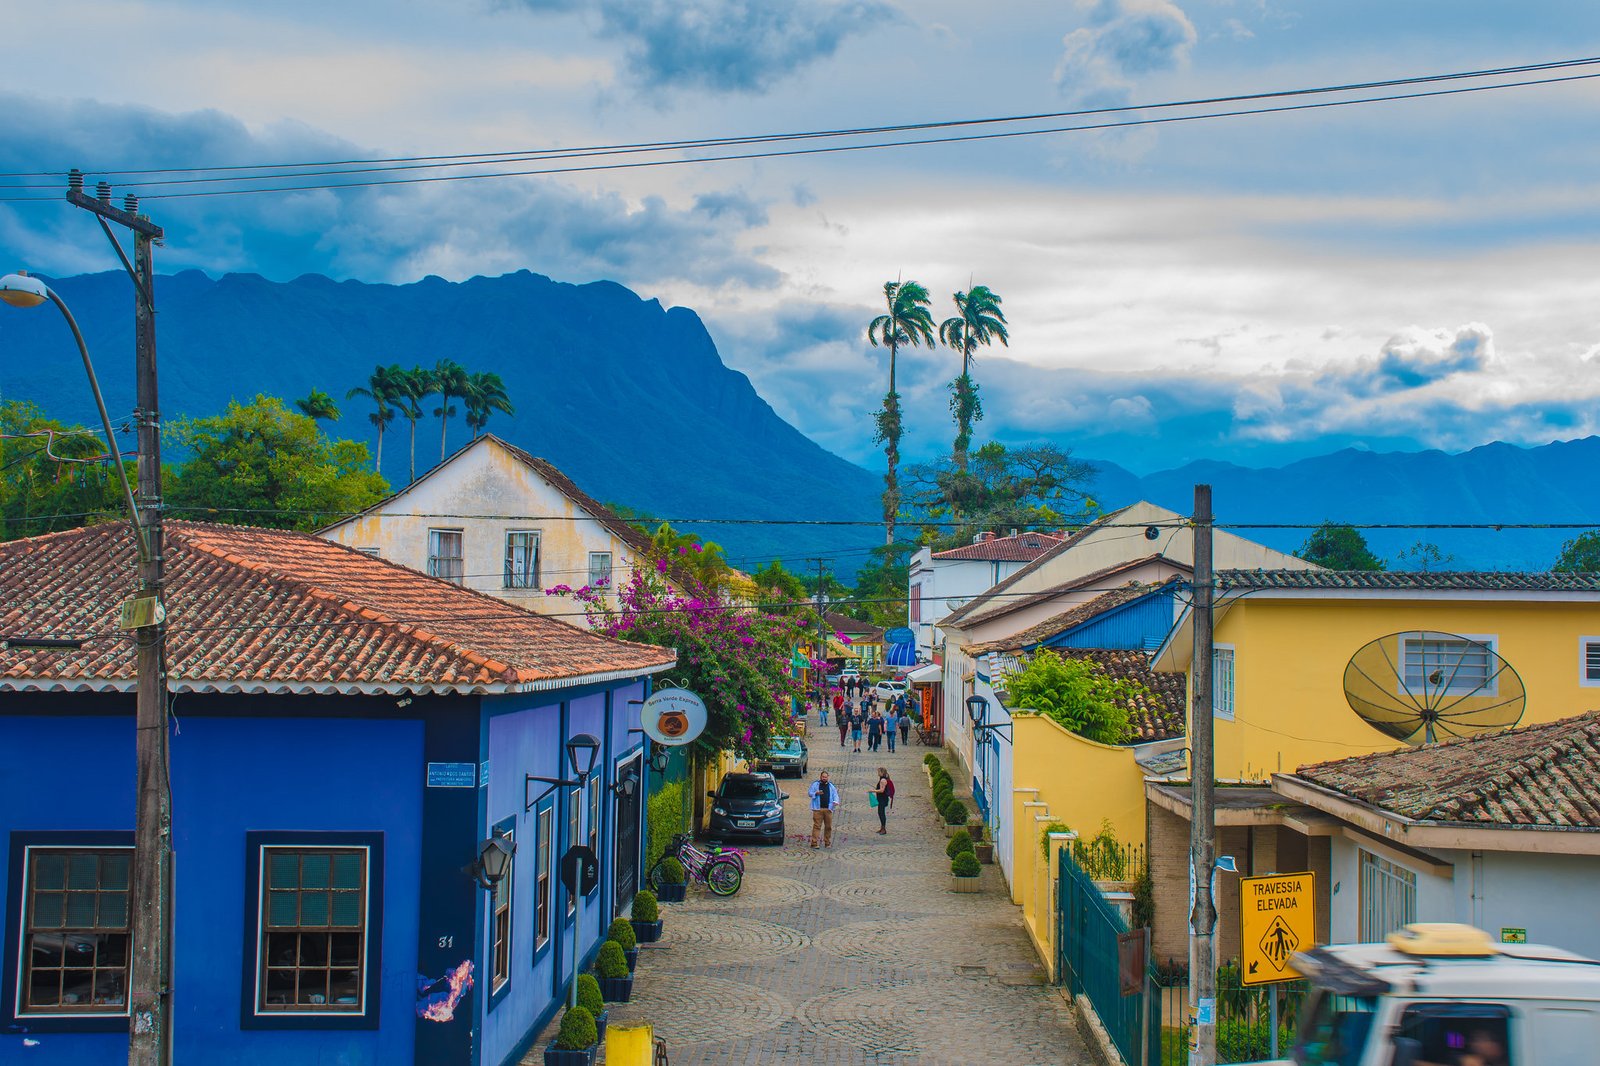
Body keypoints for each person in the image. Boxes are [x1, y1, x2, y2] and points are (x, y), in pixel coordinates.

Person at [808, 770, 840, 848]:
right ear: (820, 777)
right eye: (823, 777)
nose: (824, 778)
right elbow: (809, 793)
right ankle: (814, 843)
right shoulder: (815, 784)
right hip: (818, 809)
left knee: (828, 826)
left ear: (827, 777)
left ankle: (827, 842)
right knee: (817, 826)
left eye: (826, 777)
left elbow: (835, 795)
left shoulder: (831, 786)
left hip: (828, 809)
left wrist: (836, 801)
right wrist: (816, 793)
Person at [870, 767, 895, 833]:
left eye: (878, 772)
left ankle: (883, 829)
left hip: (882, 799)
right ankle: (882, 828)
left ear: (881, 772)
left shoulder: (883, 780)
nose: (878, 773)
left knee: (881, 813)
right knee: (880, 812)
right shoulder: (883, 779)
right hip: (882, 798)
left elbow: (882, 790)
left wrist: (872, 790)